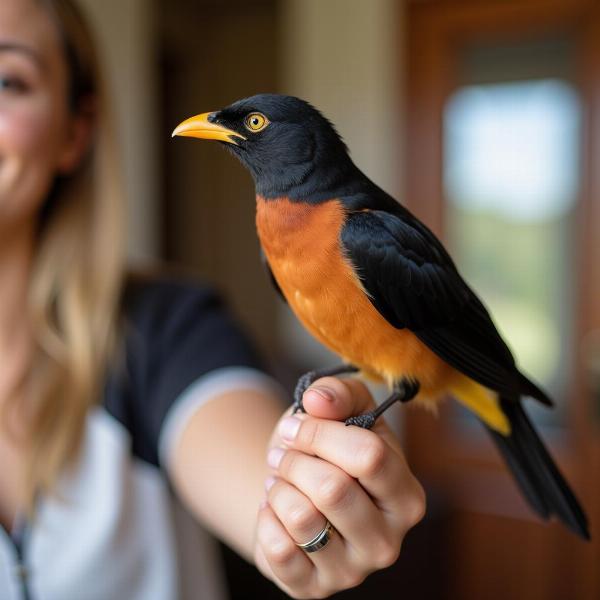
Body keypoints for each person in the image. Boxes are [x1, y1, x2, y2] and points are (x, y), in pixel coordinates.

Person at [0, 0, 425, 598]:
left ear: (75, 132)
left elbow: (258, 489)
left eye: (7, 80)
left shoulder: (168, 326)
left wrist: (300, 512)